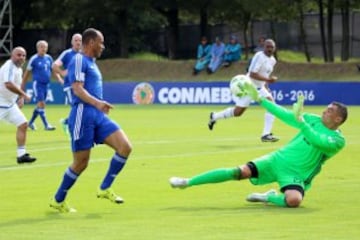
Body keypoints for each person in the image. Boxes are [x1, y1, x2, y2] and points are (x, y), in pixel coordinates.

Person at [170, 84, 348, 208]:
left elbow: (318, 141)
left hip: (296, 174)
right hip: (277, 159)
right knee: (239, 172)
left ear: (338, 119)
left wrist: (301, 122)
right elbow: (283, 114)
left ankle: (268, 197)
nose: (325, 111)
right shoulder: (311, 119)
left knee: (294, 201)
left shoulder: (338, 140)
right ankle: (187, 182)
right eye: (326, 108)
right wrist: (260, 100)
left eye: (330, 111)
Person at [50, 28, 132, 213]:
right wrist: (98, 103)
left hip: (98, 115)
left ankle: (104, 188)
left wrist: (98, 106)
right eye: (101, 42)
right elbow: (77, 89)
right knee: (81, 163)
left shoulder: (92, 63)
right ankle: (58, 200)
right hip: (82, 113)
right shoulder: (79, 59)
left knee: (125, 147)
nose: (103, 46)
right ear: (91, 42)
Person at [208, 39, 280, 142]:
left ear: (274, 48)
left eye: (271, 47)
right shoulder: (259, 56)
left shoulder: (273, 60)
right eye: (267, 47)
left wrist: (267, 86)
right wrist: (268, 80)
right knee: (238, 112)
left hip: (260, 87)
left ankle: (266, 134)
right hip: (249, 86)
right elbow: (252, 74)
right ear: (264, 47)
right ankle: (214, 116)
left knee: (272, 106)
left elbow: (265, 75)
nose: (269, 49)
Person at [0, 47, 37, 164]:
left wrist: (20, 97)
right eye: (18, 55)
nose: (21, 57)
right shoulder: (9, 66)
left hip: (9, 104)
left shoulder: (19, 69)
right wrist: (23, 94)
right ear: (12, 55)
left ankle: (21, 155)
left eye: (23, 55)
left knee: (23, 124)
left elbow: (17, 84)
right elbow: (8, 84)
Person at [22, 40, 62, 131]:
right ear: (38, 48)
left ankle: (30, 123)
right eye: (42, 47)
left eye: (45, 47)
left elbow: (53, 70)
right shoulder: (34, 59)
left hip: (46, 85)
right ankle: (46, 125)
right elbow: (27, 72)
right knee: (41, 104)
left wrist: (59, 78)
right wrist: (23, 84)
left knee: (40, 105)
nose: (44, 49)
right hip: (38, 84)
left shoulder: (49, 58)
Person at [52, 33, 82, 135]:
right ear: (72, 42)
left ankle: (67, 122)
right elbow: (55, 65)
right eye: (76, 40)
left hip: (82, 86)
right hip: (70, 86)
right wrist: (62, 73)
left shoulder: (83, 54)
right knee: (75, 107)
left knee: (82, 108)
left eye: (80, 40)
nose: (78, 42)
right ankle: (71, 128)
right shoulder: (67, 53)